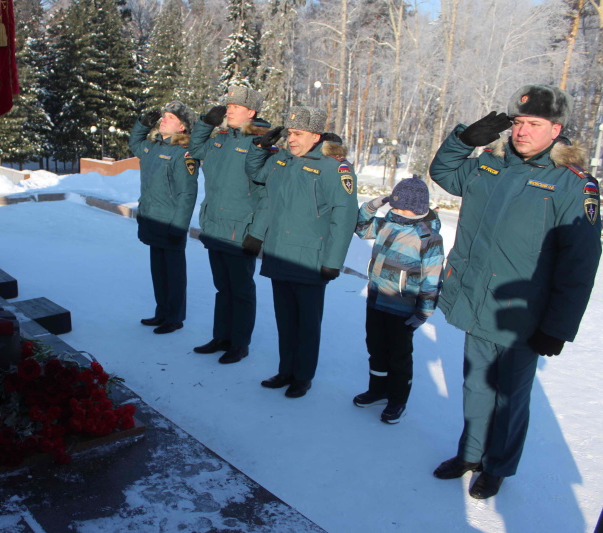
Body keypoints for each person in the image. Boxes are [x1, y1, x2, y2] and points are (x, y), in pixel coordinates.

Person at [429, 84, 601, 499]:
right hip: (476, 300)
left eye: (534, 124)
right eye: (518, 122)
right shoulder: (491, 164)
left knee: (509, 397)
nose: (522, 131)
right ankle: (470, 454)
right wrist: (464, 140)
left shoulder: (572, 184)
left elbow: (579, 267)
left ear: (556, 129)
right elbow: (444, 174)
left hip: (521, 314)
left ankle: (497, 466)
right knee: (475, 387)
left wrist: (557, 327)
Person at [245, 106, 358, 398]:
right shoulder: (283, 158)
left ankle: (303, 376)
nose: (291, 139)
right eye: (289, 133)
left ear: (316, 135)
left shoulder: (334, 167)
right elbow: (258, 176)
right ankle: (286, 370)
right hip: (279, 252)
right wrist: (262, 146)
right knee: (285, 319)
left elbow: (343, 217)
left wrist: (333, 262)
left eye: (298, 134)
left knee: (306, 323)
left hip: (311, 259)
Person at [187, 86, 271, 363]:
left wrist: (257, 234)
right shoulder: (221, 137)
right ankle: (221, 336)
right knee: (223, 287)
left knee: (241, 289)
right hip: (215, 224)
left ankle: (240, 343)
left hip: (240, 229)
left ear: (251, 112)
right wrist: (206, 123)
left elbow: (268, 194)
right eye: (228, 105)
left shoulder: (261, 143)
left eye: (236, 106)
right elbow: (195, 148)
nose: (229, 110)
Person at [352, 177, 444, 423]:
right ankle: (377, 390)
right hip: (376, 301)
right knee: (376, 349)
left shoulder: (428, 237)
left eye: (402, 206)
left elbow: (432, 280)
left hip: (403, 309)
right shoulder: (386, 224)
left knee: (398, 357)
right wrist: (375, 203)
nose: (396, 210)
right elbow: (361, 227)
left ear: (418, 208)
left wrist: (423, 312)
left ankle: (397, 399)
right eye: (394, 204)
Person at [128, 101, 200, 334]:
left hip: (170, 224)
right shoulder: (153, 147)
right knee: (158, 272)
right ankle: (162, 312)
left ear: (182, 128)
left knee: (174, 275)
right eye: (164, 116)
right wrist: (142, 124)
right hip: (151, 219)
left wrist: (179, 228)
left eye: (170, 117)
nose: (163, 119)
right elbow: (134, 144)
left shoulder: (184, 153)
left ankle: (175, 317)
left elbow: (187, 194)